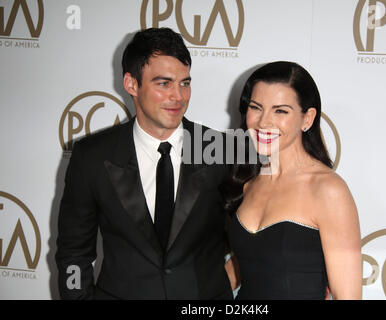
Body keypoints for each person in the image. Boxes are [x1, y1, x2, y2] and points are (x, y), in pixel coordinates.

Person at [55, 27, 233, 299]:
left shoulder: (221, 150)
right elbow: (73, 254)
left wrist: (223, 284)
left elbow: (251, 239)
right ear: (131, 84)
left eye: (184, 83)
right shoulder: (91, 156)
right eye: (164, 83)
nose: (179, 96)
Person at [223, 61, 362, 300]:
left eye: (280, 111)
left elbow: (347, 296)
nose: (263, 122)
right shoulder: (249, 182)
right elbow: (244, 266)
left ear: (307, 119)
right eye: (256, 107)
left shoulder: (328, 190)